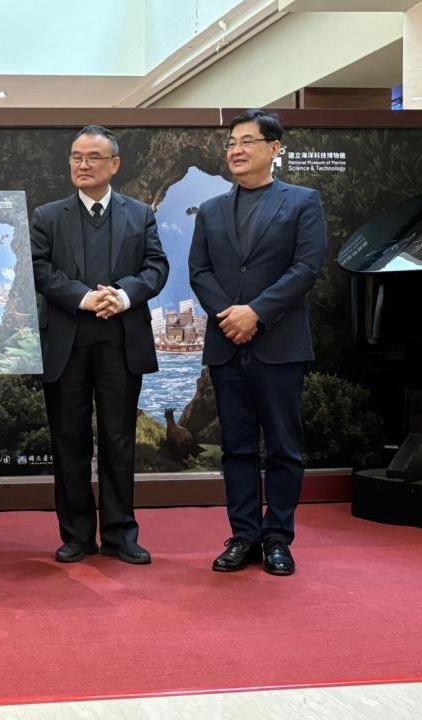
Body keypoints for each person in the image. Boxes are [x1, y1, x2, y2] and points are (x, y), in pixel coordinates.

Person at [188, 109, 326, 576]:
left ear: (275, 148)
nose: (237, 150)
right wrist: (231, 318)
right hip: (228, 345)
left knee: (284, 448)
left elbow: (305, 269)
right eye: (231, 142)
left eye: (247, 141)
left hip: (279, 344)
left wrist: (257, 313)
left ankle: (278, 538)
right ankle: (244, 535)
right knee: (237, 448)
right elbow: (199, 272)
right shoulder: (209, 211)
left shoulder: (303, 202)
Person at [31, 125, 168, 564]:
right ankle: (76, 534)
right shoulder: (48, 216)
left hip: (120, 340)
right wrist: (84, 297)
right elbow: (38, 269)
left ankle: (121, 533)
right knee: (69, 438)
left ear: (115, 165)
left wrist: (123, 295)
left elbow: (156, 267)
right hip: (67, 343)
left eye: (92, 157)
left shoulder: (140, 214)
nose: (82, 165)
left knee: (118, 438)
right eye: (75, 156)